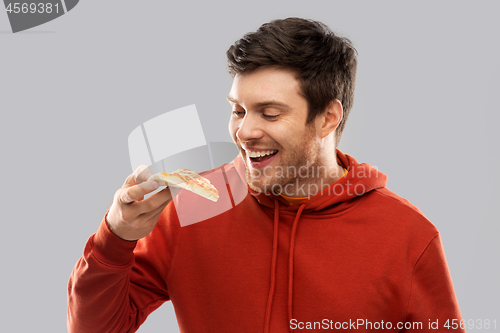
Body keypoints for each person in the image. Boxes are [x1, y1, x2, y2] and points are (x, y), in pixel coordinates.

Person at [67, 18, 465, 333]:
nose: (244, 132)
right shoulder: (192, 205)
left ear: (328, 118)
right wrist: (116, 237)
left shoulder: (408, 236)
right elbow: (96, 328)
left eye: (270, 113)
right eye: (238, 110)